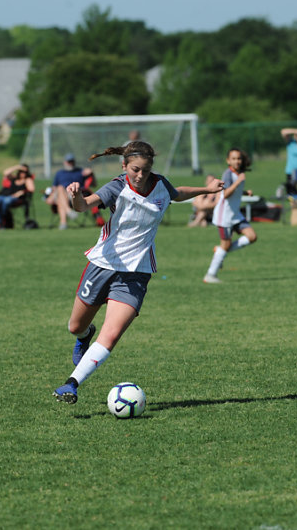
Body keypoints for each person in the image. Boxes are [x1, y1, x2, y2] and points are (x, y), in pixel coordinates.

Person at [52, 140, 224, 404]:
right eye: (135, 170)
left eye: (145, 170)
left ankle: (71, 384)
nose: (140, 175)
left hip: (136, 273)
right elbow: (84, 205)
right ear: (124, 166)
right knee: (75, 326)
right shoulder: (117, 187)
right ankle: (84, 336)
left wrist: (206, 189)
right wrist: (75, 196)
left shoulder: (160, 184)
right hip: (102, 265)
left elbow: (178, 193)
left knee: (111, 334)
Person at [203, 148, 257, 284]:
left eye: (239, 158)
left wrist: (245, 192)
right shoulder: (228, 174)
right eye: (233, 158)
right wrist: (238, 182)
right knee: (226, 245)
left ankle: (220, 250)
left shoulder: (239, 173)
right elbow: (226, 194)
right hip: (225, 216)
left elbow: (235, 191)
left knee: (252, 236)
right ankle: (210, 275)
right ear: (228, 161)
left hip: (235, 214)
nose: (237, 161)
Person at [46, 153, 84, 230]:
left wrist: (91, 172)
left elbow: (93, 184)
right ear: (65, 162)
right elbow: (54, 187)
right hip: (59, 193)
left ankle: (63, 223)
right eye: (69, 161)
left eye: (72, 161)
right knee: (60, 188)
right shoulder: (59, 173)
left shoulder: (80, 171)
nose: (70, 163)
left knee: (60, 198)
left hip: (73, 194)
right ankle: (68, 211)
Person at [0, 163, 35, 228]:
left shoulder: (27, 180)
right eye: (21, 171)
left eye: (24, 172)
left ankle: (4, 218)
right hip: (6, 196)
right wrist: (17, 167)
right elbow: (5, 173)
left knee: (7, 201)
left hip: (18, 198)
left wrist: (22, 192)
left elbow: (31, 189)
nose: (23, 173)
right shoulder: (14, 178)